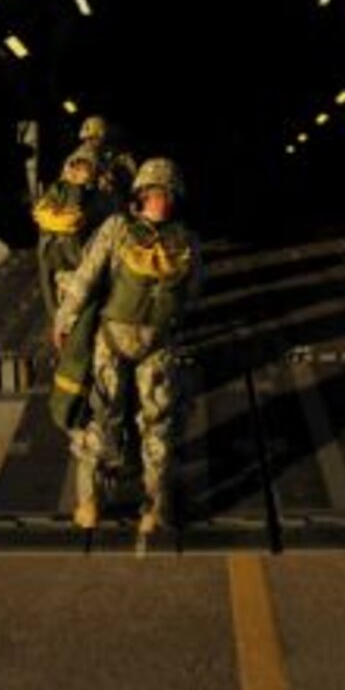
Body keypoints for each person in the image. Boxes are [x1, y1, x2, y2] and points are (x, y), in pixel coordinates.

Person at [52, 157, 201, 535]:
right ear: (142, 194)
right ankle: (91, 502)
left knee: (156, 429)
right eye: (156, 193)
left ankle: (151, 508)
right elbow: (87, 278)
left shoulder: (170, 237)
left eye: (165, 193)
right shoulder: (130, 230)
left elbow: (87, 278)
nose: (160, 199)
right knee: (105, 421)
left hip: (149, 344)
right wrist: (66, 318)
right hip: (121, 342)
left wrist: (65, 317)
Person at [31, 148, 108, 320]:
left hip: (70, 246)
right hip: (54, 245)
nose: (79, 172)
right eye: (76, 167)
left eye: (85, 168)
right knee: (52, 287)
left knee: (80, 284)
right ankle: (59, 319)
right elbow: (43, 212)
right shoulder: (60, 188)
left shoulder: (91, 193)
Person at [76, 115, 139, 200]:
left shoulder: (118, 156)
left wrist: (115, 176)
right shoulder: (78, 157)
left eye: (93, 138)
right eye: (85, 139)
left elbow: (133, 181)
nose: (88, 143)